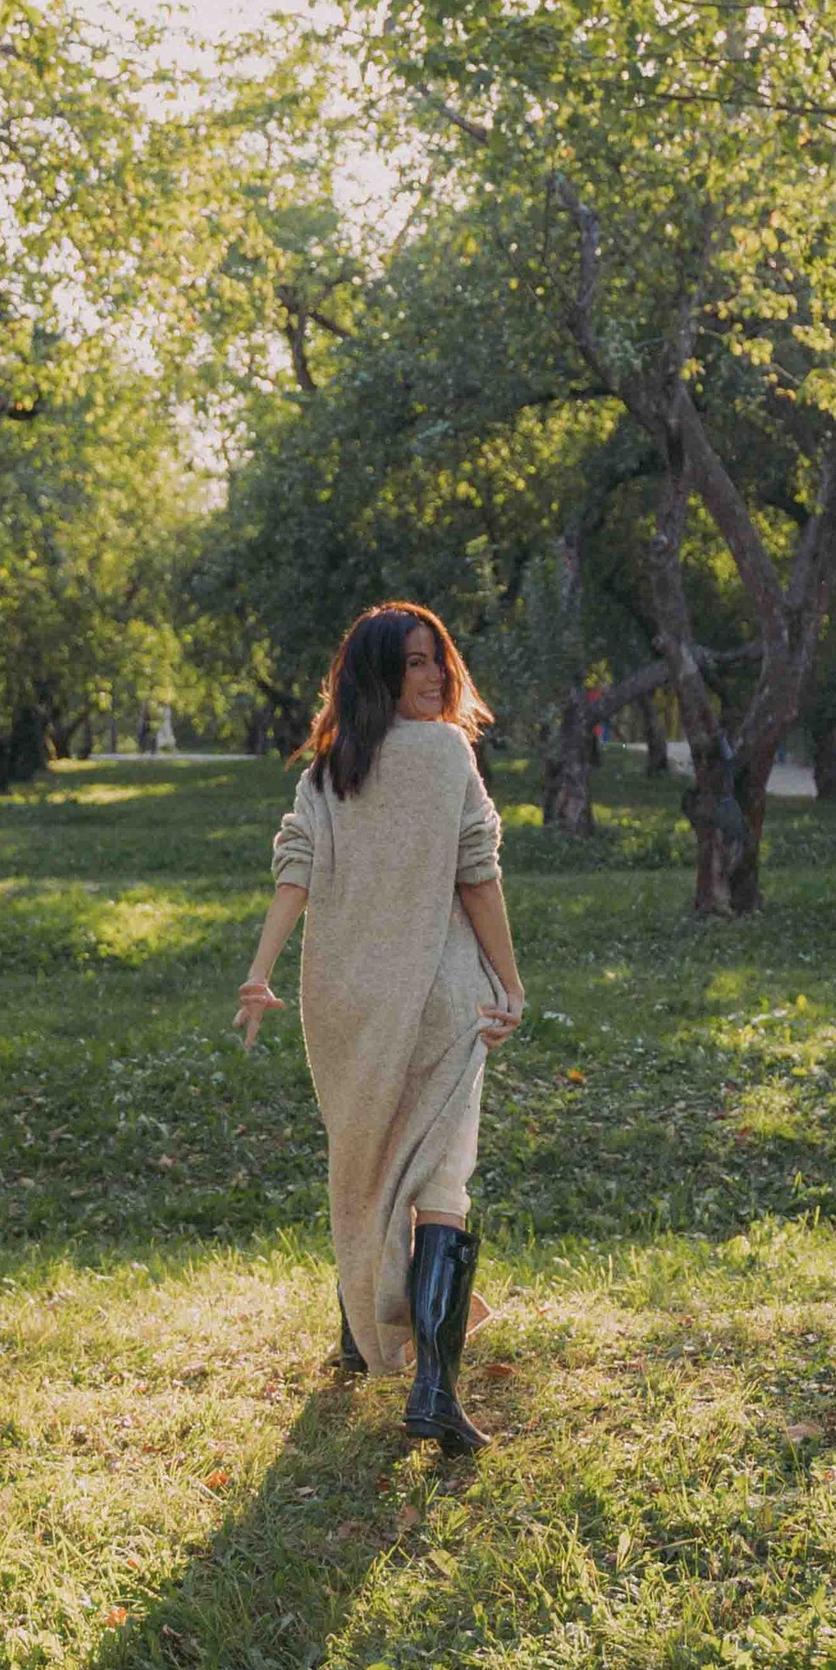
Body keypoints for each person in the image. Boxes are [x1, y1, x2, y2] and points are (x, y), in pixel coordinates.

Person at [235, 602, 523, 1455]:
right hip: (438, 991)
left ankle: (360, 1343)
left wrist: (262, 971)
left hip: (340, 997)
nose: (433, 678)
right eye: (413, 665)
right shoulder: (444, 754)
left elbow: (296, 871)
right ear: (380, 677)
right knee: (441, 1178)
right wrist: (509, 981)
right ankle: (432, 1387)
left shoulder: (331, 767)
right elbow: (478, 874)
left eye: (437, 660)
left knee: (364, 1158)